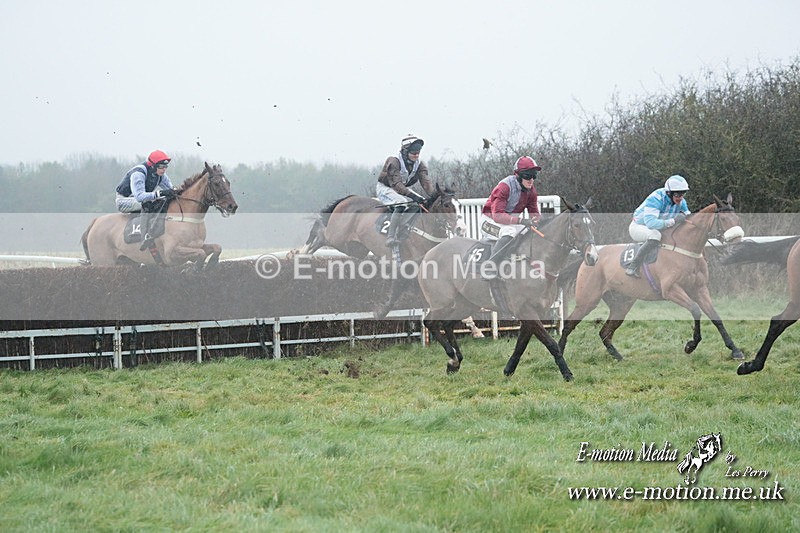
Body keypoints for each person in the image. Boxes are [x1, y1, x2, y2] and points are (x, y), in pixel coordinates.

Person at [479, 156, 542, 280]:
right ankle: (489, 268)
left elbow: (534, 214)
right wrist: (520, 220)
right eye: (528, 175)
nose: (531, 180)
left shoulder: (531, 191)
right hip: (490, 220)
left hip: (508, 221)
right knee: (509, 231)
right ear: (518, 175)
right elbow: (497, 216)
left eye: (534, 175)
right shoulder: (505, 187)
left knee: (527, 231)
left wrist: (539, 222)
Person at [625, 174, 691, 277]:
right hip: (639, 227)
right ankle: (633, 266)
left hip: (659, 227)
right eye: (678, 194)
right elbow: (651, 223)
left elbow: (688, 215)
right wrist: (673, 221)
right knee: (655, 235)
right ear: (669, 193)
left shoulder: (681, 201)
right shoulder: (655, 199)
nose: (680, 198)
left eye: (683, 194)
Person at [376, 134, 435, 247]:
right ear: (405, 151)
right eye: (413, 153)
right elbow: (396, 184)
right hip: (386, 188)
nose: (416, 156)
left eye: (418, 153)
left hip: (401, 189)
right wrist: (412, 196)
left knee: (420, 204)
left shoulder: (419, 164)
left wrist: (434, 195)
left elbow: (426, 182)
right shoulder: (394, 161)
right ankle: (391, 236)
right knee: (400, 204)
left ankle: (403, 229)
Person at [115, 150, 178, 247]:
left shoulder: (160, 175)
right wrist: (159, 193)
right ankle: (145, 236)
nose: (164, 169)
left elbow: (171, 189)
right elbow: (140, 197)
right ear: (152, 165)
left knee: (163, 201)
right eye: (161, 167)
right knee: (148, 204)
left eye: (166, 167)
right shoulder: (139, 173)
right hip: (124, 200)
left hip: (138, 199)